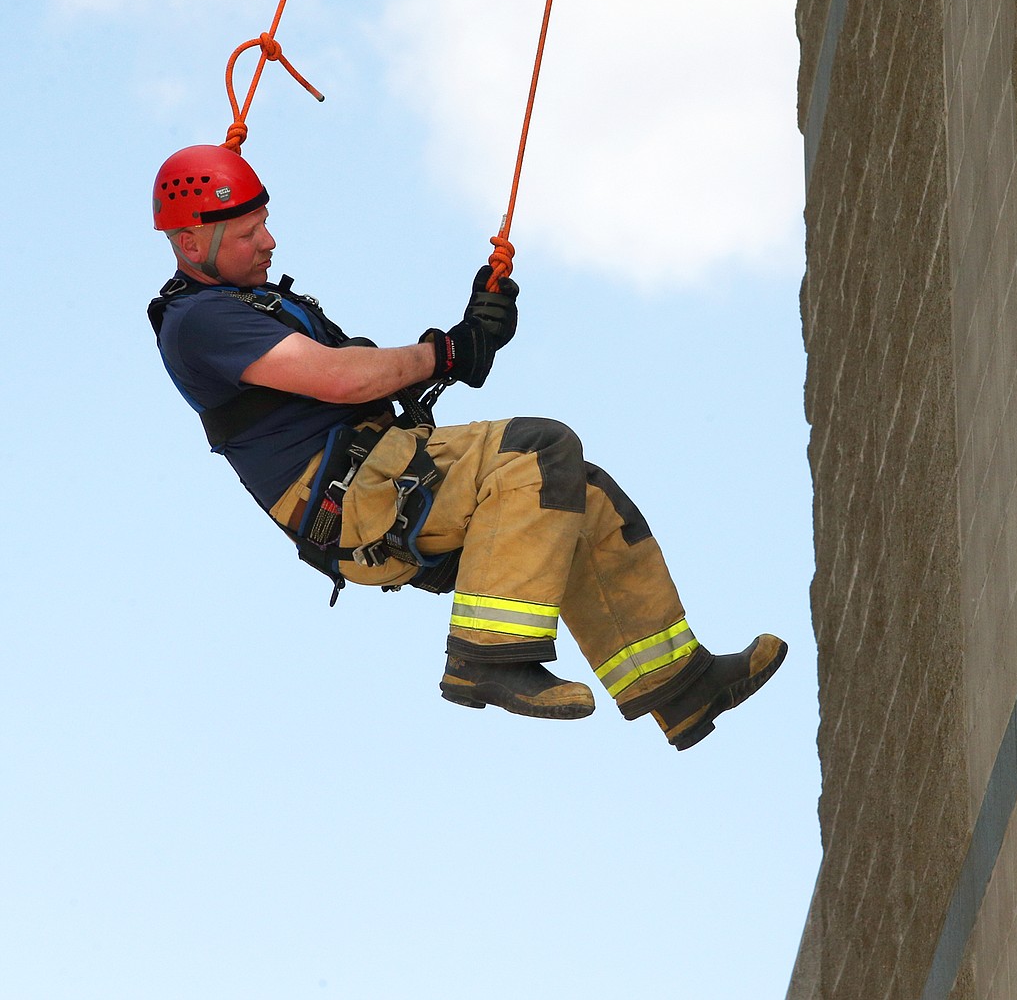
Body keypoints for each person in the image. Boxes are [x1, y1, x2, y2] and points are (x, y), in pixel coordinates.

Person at [147, 144, 785, 750]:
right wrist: (446, 351)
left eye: (264, 224)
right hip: (355, 500)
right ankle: (487, 658)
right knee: (540, 450)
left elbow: (361, 376)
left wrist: (462, 342)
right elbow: (340, 379)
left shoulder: (245, 304)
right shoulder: (199, 321)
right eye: (248, 232)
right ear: (192, 242)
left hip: (382, 478)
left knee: (578, 496)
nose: (269, 241)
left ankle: (682, 689)